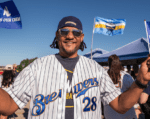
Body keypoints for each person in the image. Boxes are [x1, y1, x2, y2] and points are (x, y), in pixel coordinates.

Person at [0, 16, 150, 119]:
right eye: (64, 31)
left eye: (76, 32)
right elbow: (9, 106)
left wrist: (141, 81)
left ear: (82, 37)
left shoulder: (96, 69)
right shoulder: (37, 67)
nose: (70, 36)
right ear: (57, 35)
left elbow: (120, 105)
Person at [103, 54, 137, 119]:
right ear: (119, 62)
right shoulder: (126, 76)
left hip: (110, 113)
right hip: (127, 113)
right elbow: (134, 95)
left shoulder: (103, 77)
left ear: (109, 63)